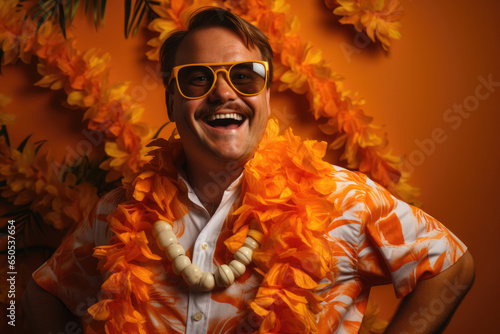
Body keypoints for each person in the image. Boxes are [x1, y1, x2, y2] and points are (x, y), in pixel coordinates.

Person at [23, 7, 475, 334]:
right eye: (197, 78)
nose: (223, 94)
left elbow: (452, 267)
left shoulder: (343, 200)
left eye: (245, 76)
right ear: (172, 100)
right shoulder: (119, 212)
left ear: (267, 95)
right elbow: (43, 291)